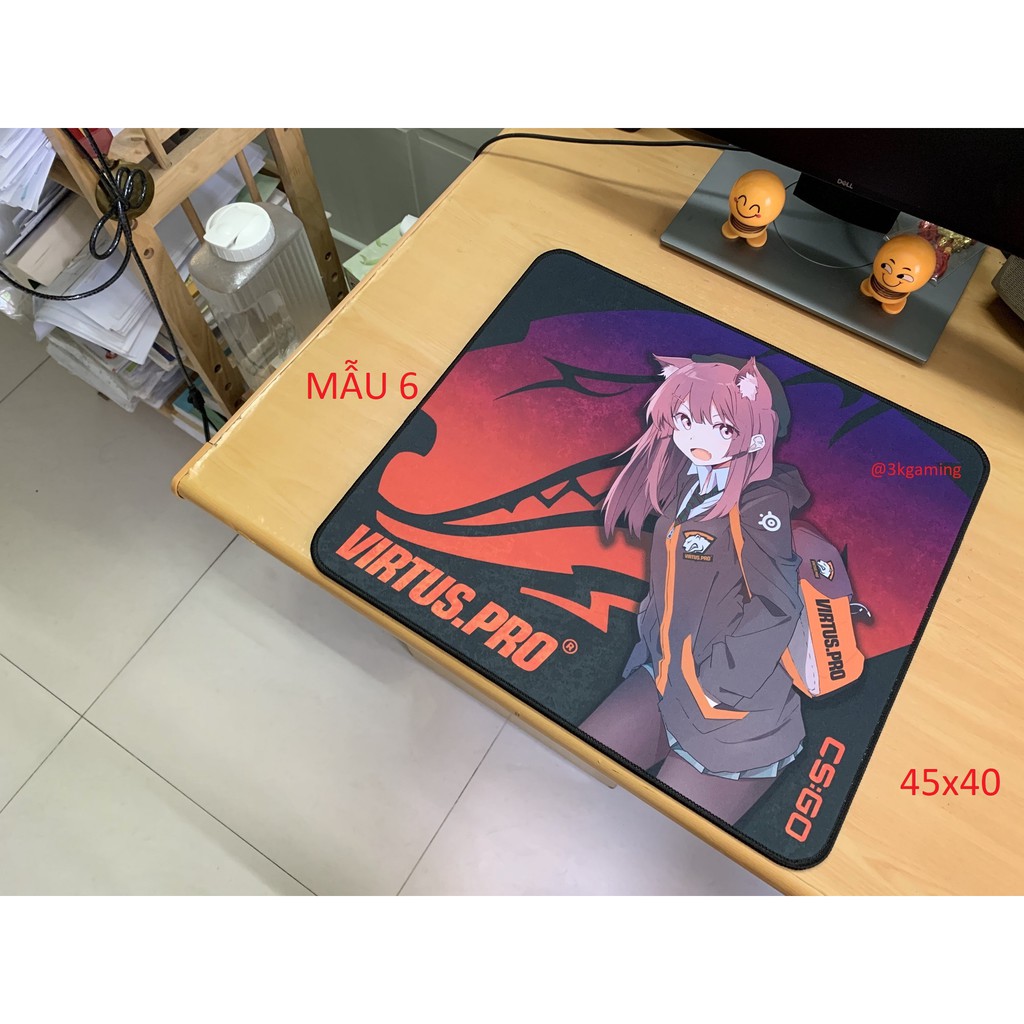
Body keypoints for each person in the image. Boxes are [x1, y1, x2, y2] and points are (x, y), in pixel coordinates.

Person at [581, 354, 810, 825]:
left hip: (734, 713)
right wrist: (652, 647)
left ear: (758, 435)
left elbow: (776, 606)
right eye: (686, 421)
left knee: (653, 835)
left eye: (721, 427)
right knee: (573, 763)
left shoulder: (760, 505)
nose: (697, 437)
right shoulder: (688, 485)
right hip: (667, 676)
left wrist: (718, 687)